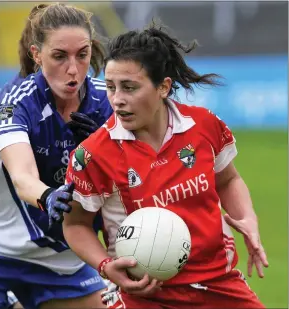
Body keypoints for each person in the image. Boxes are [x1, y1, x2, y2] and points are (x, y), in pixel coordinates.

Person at [62, 23, 269, 309]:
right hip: (140, 294)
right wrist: (106, 265)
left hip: (217, 283)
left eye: (129, 87)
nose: (117, 99)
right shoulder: (92, 155)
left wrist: (248, 219)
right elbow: (75, 225)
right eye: (111, 87)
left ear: (163, 86)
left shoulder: (204, 125)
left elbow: (228, 180)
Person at [0, 3, 113, 309]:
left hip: (59, 255)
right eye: (59, 56)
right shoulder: (11, 104)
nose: (73, 69)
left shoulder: (106, 103)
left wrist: (102, 149)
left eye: (82, 54)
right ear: (37, 54)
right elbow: (23, 177)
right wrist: (49, 197)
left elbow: (128, 179)